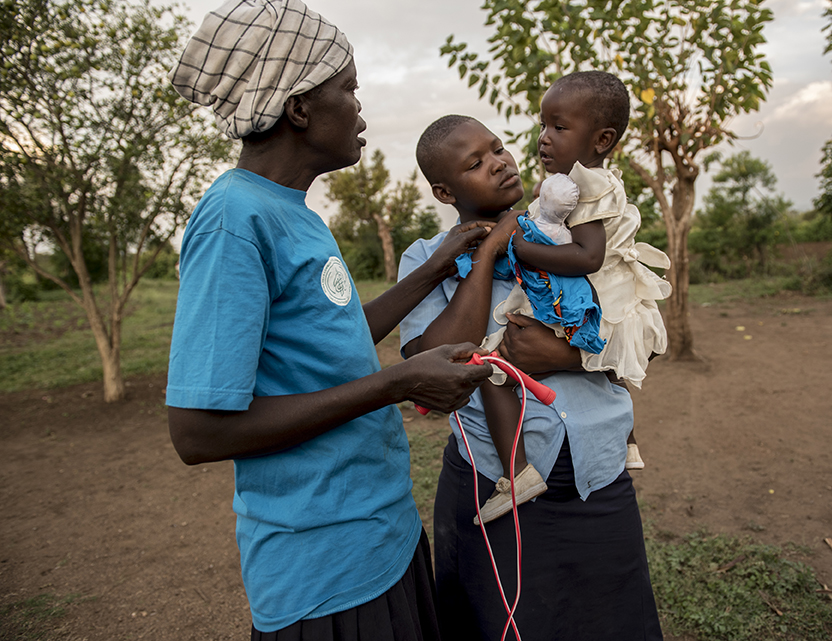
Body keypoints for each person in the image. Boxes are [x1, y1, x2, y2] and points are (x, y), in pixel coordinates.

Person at [164, 2, 495, 638]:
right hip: (322, 571)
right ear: (298, 109)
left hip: (382, 534)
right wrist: (396, 384)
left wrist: (433, 268)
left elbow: (331, 344)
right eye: (348, 89)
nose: (361, 110)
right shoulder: (236, 218)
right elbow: (197, 433)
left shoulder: (295, 213)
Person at [399, 114, 664, 640]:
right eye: (476, 163)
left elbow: (644, 338)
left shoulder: (575, 229)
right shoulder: (428, 259)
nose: (499, 162)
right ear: (444, 191)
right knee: (501, 623)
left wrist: (567, 356)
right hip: (496, 485)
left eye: (497, 148)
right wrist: (490, 253)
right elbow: (432, 365)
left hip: (599, 474)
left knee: (612, 621)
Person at [463, 71, 674, 524]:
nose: (543, 138)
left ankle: (517, 472)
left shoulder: (586, 186)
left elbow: (587, 256)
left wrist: (519, 247)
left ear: (601, 140)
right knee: (612, 365)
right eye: (543, 125)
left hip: (592, 294)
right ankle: (628, 443)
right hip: (611, 297)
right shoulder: (588, 181)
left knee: (494, 367)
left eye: (559, 127)